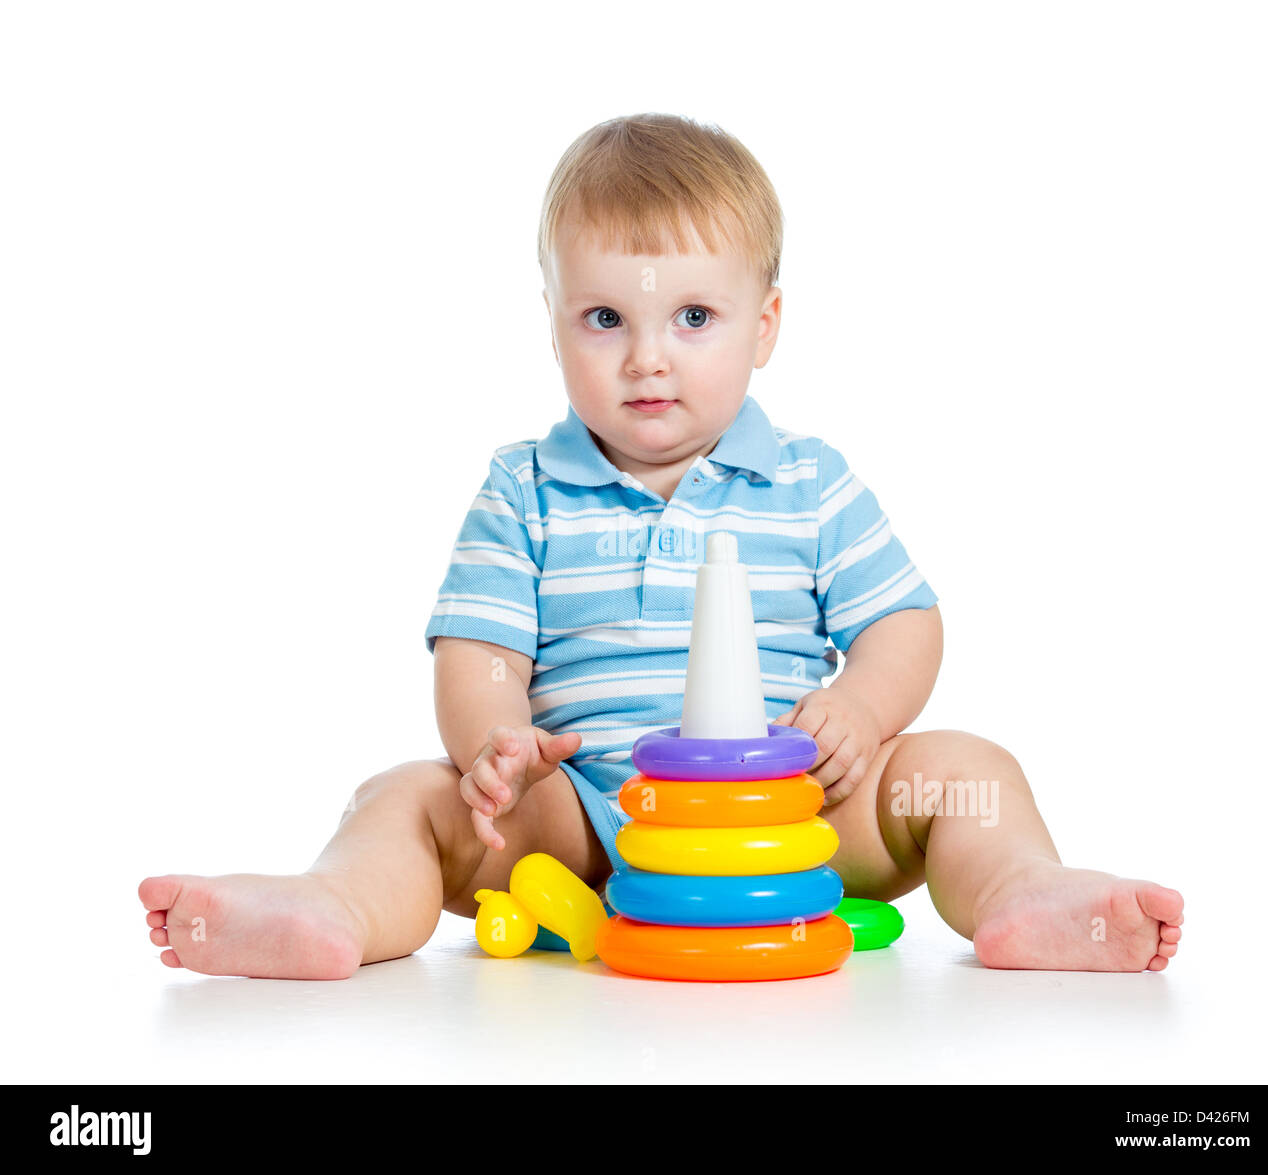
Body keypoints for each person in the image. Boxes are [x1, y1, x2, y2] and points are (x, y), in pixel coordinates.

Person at [139, 113, 1183, 979]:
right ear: (551, 325)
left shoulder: (809, 481)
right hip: (593, 822)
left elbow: (903, 621)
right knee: (404, 796)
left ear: (763, 325)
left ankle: (1024, 893)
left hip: (792, 816)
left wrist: (861, 710)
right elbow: (477, 651)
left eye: (693, 316)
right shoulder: (526, 488)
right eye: (603, 317)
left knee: (966, 771)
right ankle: (332, 909)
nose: (647, 358)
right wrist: (499, 741)